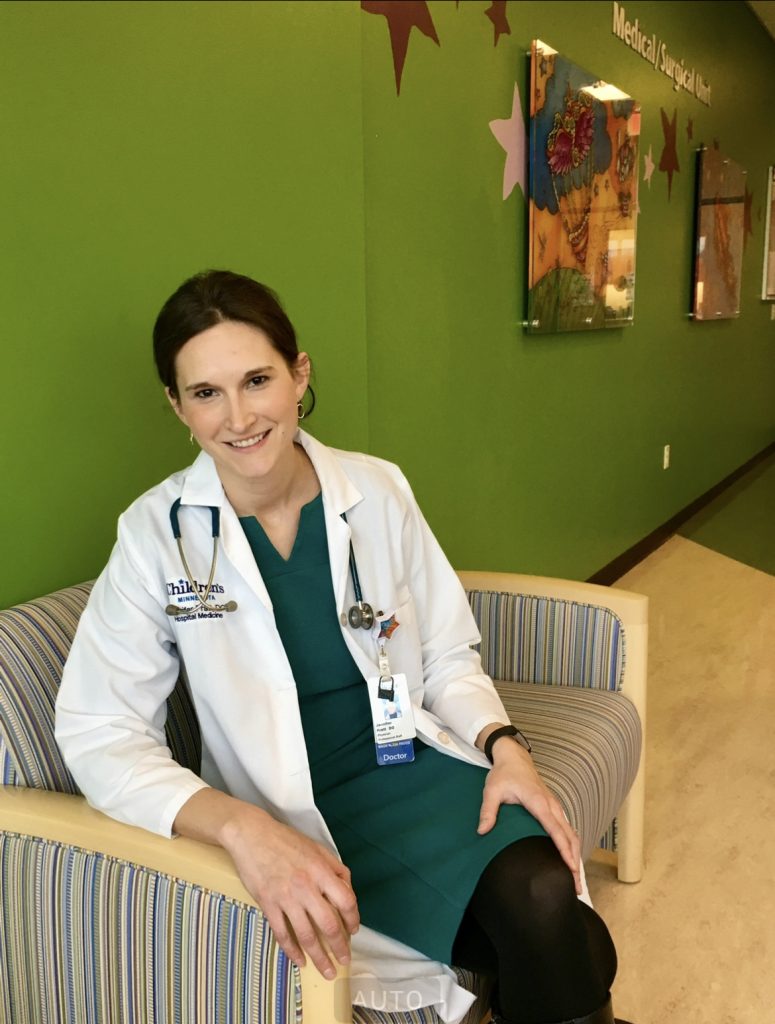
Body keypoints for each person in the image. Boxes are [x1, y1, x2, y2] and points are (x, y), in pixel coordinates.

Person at [55, 270, 631, 1024]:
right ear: (176, 406)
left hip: (407, 762)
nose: (238, 417)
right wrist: (240, 826)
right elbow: (97, 731)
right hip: (289, 799)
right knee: (565, 939)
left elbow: (450, 652)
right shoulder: (155, 537)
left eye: (257, 379)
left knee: (545, 894)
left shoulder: (375, 492)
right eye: (205, 393)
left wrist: (504, 746)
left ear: (299, 375)